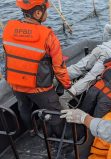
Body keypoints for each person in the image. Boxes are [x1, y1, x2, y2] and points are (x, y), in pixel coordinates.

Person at [3, 0, 71, 136]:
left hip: (16, 84)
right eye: (46, 10)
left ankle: (32, 130)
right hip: (40, 88)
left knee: (24, 108)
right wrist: (67, 84)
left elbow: (8, 57)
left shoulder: (8, 29)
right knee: (55, 114)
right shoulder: (48, 36)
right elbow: (59, 67)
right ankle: (61, 141)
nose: (47, 13)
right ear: (38, 12)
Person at [59, 24, 111, 109]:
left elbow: (107, 26)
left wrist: (105, 42)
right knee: (90, 77)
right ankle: (64, 98)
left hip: (100, 48)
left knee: (79, 67)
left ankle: (56, 78)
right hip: (108, 57)